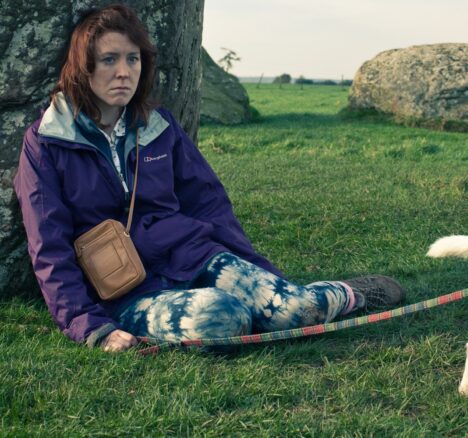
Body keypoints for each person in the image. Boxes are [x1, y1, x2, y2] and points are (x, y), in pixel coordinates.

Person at [14, 4, 405, 353]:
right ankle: (241, 311)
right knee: (222, 317)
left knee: (295, 310)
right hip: (125, 290)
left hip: (193, 255)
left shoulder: (159, 126)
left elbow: (209, 203)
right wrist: (89, 326)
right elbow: (48, 246)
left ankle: (349, 294)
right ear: (83, 66)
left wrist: (261, 275)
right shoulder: (47, 142)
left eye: (133, 59)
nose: (123, 72)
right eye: (108, 60)